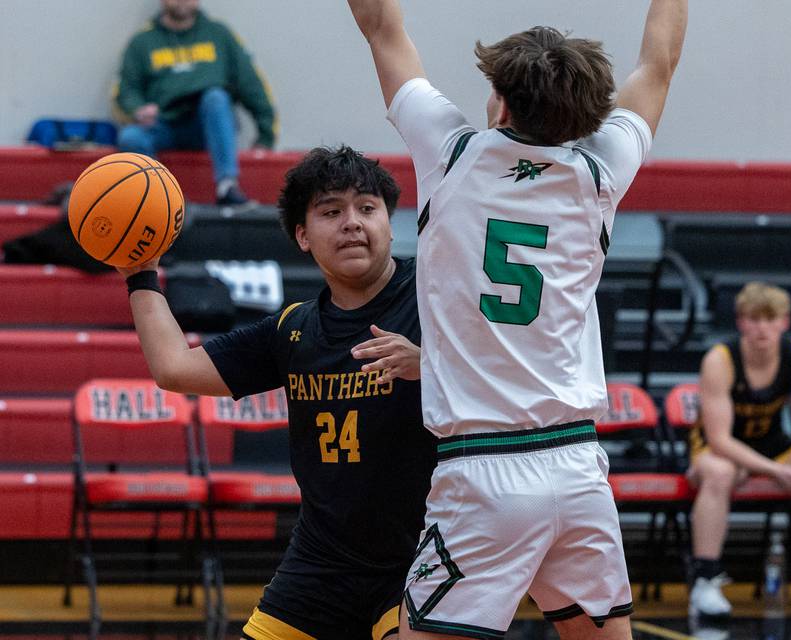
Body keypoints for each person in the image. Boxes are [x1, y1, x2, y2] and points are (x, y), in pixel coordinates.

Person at [347, 2, 687, 639]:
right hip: (578, 468)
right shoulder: (600, 174)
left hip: (484, 472)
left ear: (501, 105)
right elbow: (658, 66)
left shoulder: (452, 155)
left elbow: (381, 26)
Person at [119, 145, 437, 640]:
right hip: (321, 565)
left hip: (422, 558)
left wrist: (431, 367)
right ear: (302, 236)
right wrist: (140, 272)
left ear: (390, 224)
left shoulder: (436, 298)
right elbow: (175, 369)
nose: (352, 223)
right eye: (331, 212)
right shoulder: (293, 329)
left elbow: (518, 376)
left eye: (367, 208)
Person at [687, 282, 791, 618]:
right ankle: (705, 580)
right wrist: (775, 470)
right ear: (740, 322)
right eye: (754, 319)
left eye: (770, 319)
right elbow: (719, 439)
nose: (762, 328)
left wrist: (787, 463)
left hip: (771, 443)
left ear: (785, 321)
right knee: (721, 472)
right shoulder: (720, 359)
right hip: (719, 448)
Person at [114, 0, 277, 207]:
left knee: (216, 97)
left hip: (206, 126)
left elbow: (251, 85)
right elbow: (125, 91)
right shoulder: (142, 41)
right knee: (130, 137)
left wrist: (265, 137)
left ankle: (227, 186)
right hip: (163, 126)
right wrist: (138, 110)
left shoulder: (219, 34)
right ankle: (157, 201)